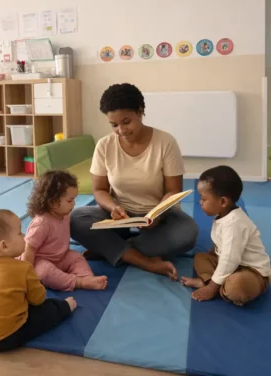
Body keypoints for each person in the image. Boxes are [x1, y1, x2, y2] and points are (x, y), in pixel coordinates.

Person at [70, 83, 198, 280]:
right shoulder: (104, 145)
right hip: (118, 217)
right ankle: (141, 258)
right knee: (75, 219)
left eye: (126, 122)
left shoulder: (165, 142)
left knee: (187, 233)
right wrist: (113, 207)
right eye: (114, 125)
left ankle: (113, 249)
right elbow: (99, 190)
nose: (121, 130)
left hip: (158, 216)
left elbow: (174, 191)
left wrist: (158, 215)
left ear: (140, 111)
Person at [0, 210, 76, 353]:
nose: (25, 236)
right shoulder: (23, 269)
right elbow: (38, 299)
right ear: (4, 246)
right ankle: (66, 307)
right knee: (48, 308)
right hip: (4, 338)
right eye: (20, 233)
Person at [181, 166, 271, 305]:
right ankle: (211, 280)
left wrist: (211, 288)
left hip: (251, 271)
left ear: (223, 202)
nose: (200, 202)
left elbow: (230, 259)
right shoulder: (224, 214)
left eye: (203, 199)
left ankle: (213, 285)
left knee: (236, 286)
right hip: (230, 263)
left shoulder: (234, 223)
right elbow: (225, 252)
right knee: (201, 257)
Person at [20, 170, 107, 291]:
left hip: (62, 256)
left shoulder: (64, 214)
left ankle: (87, 278)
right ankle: (79, 282)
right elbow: (28, 248)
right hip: (40, 261)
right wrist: (26, 273)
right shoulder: (42, 223)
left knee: (76, 257)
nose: (74, 204)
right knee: (46, 272)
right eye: (70, 201)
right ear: (53, 202)